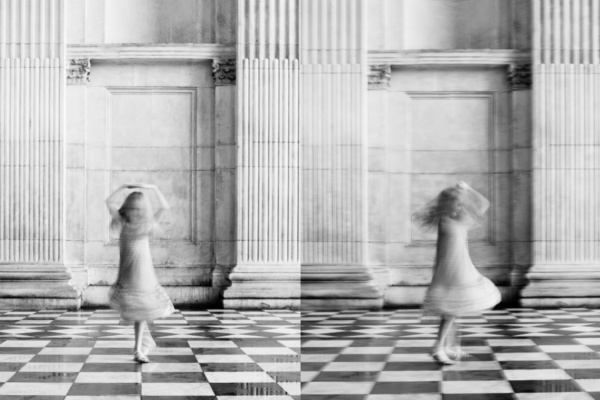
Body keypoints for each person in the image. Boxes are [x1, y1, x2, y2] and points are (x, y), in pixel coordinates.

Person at [414, 181, 501, 365]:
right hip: (451, 272)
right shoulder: (447, 221)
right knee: (450, 311)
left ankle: (451, 346)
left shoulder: (458, 219)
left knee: (456, 308)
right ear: (449, 203)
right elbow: (479, 207)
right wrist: (463, 193)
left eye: (461, 202)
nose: (461, 205)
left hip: (459, 269)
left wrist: (467, 190)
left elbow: (484, 204)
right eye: (457, 202)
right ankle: (438, 348)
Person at [105, 183, 175, 363]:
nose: (135, 212)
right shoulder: (122, 222)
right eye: (132, 208)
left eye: (139, 208)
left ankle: (138, 350)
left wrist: (153, 188)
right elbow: (109, 201)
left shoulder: (147, 225)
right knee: (136, 312)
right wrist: (122, 187)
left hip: (143, 276)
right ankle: (138, 349)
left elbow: (164, 207)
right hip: (128, 275)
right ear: (127, 209)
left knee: (141, 313)